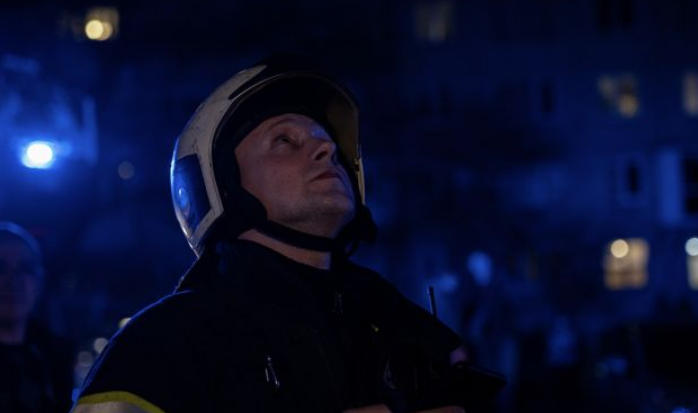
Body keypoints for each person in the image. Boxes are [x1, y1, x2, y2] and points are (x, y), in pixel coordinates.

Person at [71, 55, 500, 413]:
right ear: (221, 185)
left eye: (327, 143)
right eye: (285, 141)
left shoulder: (407, 336)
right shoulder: (161, 346)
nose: (327, 149)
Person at [0, 222, 74, 413]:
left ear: (39, 282)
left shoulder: (55, 358)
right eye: (0, 268)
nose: (13, 281)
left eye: (25, 268)